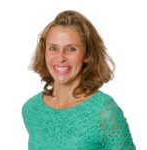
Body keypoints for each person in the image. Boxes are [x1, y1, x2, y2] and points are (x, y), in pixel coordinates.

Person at [22, 10, 136, 150]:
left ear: (87, 55)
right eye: (53, 48)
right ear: (44, 53)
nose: (61, 57)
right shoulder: (32, 109)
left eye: (71, 49)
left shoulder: (104, 112)